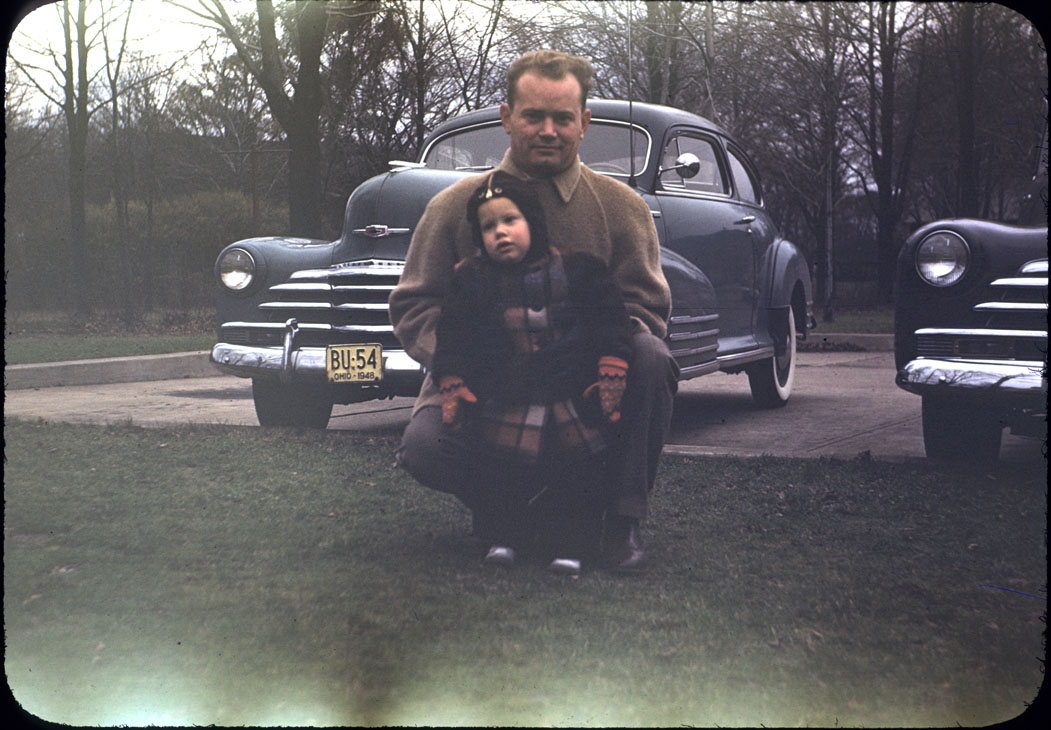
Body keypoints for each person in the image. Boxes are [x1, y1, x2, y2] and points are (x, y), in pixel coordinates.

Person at [389, 49, 679, 574]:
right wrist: (479, 363)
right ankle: (510, 517)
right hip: (486, 390)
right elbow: (416, 303)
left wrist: (581, 359)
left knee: (653, 358)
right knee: (426, 446)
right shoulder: (453, 206)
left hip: (590, 390)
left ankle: (619, 523)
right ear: (506, 118)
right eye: (533, 116)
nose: (549, 131)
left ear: (584, 123)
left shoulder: (623, 208)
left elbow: (646, 308)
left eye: (562, 118)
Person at [432, 170, 634, 574]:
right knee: (499, 473)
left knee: (576, 472)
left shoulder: (579, 269)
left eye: (511, 220)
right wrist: (452, 380)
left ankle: (571, 545)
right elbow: (453, 336)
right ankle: (503, 538)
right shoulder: (470, 280)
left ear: (534, 223)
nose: (500, 232)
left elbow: (610, 319)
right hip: (508, 397)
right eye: (488, 226)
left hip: (569, 398)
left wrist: (611, 364)